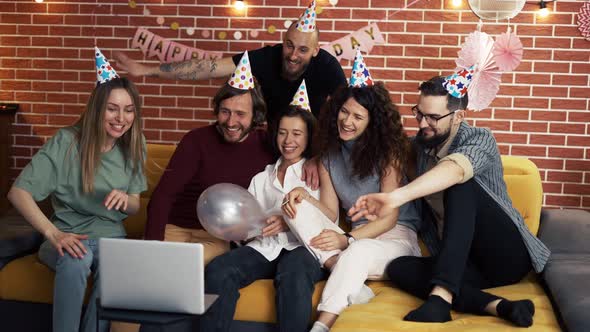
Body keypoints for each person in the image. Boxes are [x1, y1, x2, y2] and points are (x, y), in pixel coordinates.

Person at [349, 74, 551, 327]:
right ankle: (499, 306)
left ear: (458, 117)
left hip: (505, 254)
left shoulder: (480, 139)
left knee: (460, 184)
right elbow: (380, 139)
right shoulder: (420, 147)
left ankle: (440, 300)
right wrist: (311, 161)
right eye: (419, 114)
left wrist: (395, 197)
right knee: (400, 268)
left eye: (433, 117)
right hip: (461, 262)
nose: (423, 123)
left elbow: (454, 170)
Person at [7, 48, 147, 332]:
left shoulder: (134, 143)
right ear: (97, 109)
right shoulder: (66, 142)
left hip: (112, 239)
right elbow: (18, 193)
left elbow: (135, 204)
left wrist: (126, 200)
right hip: (67, 234)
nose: (121, 118)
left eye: (129, 110)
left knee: (116, 269)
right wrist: (53, 233)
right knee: (77, 256)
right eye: (112, 108)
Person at [282, 51, 422, 332]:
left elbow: (389, 218)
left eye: (358, 116)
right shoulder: (328, 156)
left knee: (358, 253)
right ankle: (340, 269)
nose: (347, 121)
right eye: (344, 112)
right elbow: (331, 212)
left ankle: (321, 326)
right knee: (290, 206)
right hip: (353, 241)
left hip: (393, 238)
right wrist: (304, 196)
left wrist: (347, 239)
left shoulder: (388, 153)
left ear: (373, 121)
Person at [201, 95, 325, 332]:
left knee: (294, 273)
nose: (288, 140)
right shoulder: (261, 178)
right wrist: (244, 229)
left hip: (303, 248)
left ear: (309, 137)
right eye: (282, 132)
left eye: (297, 134)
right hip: (265, 247)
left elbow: (327, 219)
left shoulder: (316, 174)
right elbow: (246, 223)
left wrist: (289, 221)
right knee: (219, 269)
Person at [114, 0, 346, 125]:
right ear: (283, 41)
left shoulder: (328, 67)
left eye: (303, 50)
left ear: (315, 50)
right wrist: (145, 69)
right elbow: (208, 67)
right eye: (289, 45)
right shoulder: (267, 57)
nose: (293, 55)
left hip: (313, 142)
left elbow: (349, 109)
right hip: (273, 140)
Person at [144, 52, 275, 265]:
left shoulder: (267, 144)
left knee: (183, 264)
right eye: (225, 111)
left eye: (240, 114)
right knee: (156, 265)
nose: (231, 122)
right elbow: (163, 195)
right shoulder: (196, 140)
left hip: (217, 237)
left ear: (256, 116)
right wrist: (151, 245)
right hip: (175, 227)